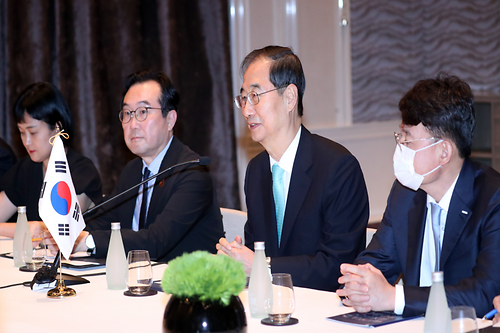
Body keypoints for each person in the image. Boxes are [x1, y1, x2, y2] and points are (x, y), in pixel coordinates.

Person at [336, 73, 500, 318]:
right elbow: (376, 262)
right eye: (399, 137)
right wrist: (358, 282)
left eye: (408, 141)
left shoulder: (492, 199)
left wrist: (394, 298)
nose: (399, 148)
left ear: (444, 151)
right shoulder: (405, 193)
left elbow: (484, 294)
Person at [216, 45, 369, 292]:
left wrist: (260, 265)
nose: (246, 110)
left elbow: (337, 266)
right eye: (243, 98)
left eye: (255, 96)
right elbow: (258, 251)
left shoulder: (338, 168)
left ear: (289, 98)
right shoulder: (256, 171)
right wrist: (237, 258)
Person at [68, 70, 224, 262]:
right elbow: (102, 220)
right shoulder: (132, 171)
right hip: (139, 281)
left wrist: (89, 242)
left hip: (186, 286)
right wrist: (68, 232)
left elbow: (156, 241)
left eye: (143, 112)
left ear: (170, 120)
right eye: (127, 113)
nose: (133, 124)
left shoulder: (192, 172)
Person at [0, 82, 102, 238]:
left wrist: (31, 228)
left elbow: (59, 230)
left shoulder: (81, 171)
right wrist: (28, 228)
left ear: (57, 127)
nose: (26, 142)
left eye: (33, 133)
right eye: (21, 133)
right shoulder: (25, 168)